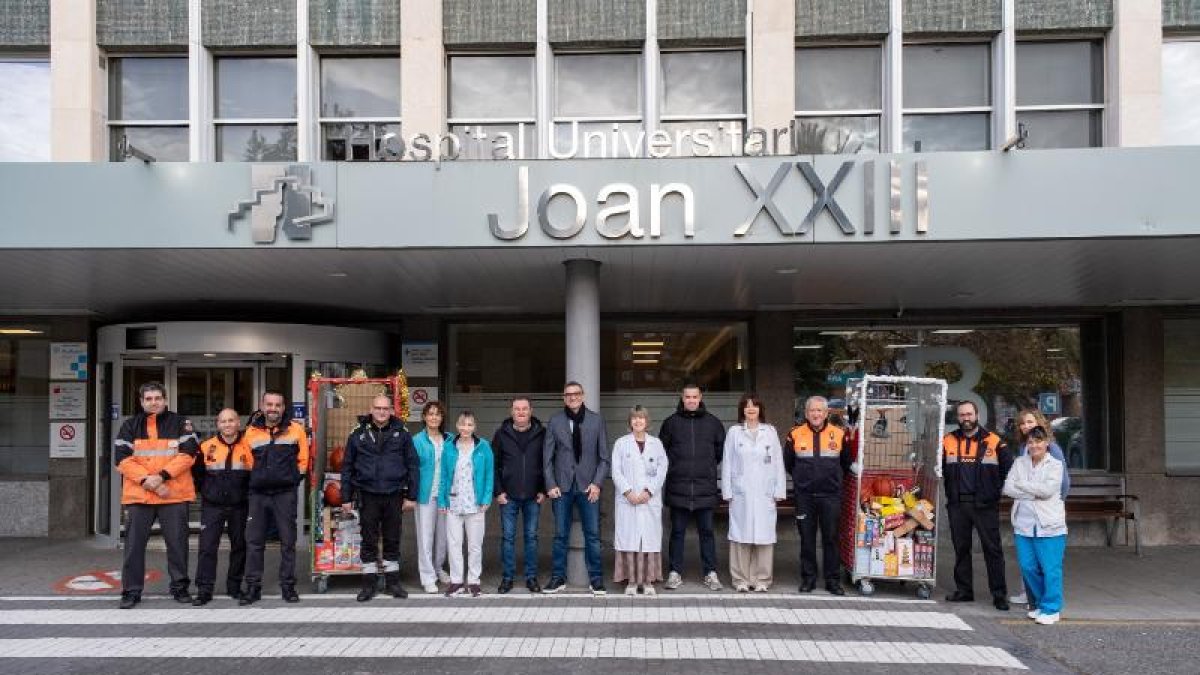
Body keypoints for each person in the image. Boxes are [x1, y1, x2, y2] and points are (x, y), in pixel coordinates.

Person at [114, 381, 200, 609]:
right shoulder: (129, 426)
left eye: (157, 398)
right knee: (133, 546)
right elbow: (122, 459)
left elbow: (189, 454)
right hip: (140, 496)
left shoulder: (182, 423)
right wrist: (148, 482)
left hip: (173, 495)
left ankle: (180, 588)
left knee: (178, 545)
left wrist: (161, 476)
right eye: (148, 399)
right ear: (141, 402)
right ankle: (131, 591)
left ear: (165, 400)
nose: (154, 403)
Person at [341, 394, 419, 602]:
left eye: (385, 408)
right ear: (371, 409)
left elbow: (413, 465)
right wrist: (346, 497)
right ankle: (369, 584)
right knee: (369, 540)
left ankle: (393, 582)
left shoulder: (402, 433)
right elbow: (347, 467)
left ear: (391, 410)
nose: (382, 412)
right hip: (367, 495)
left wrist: (411, 496)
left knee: (393, 539)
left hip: (394, 494)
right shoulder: (357, 434)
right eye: (378, 408)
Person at [942, 400, 1014, 611]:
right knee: (961, 549)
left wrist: (993, 493)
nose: (966, 418)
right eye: (962, 415)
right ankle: (964, 591)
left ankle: (999, 595)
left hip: (984, 505)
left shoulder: (995, 442)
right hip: (958, 504)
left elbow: (1008, 472)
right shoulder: (947, 440)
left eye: (969, 414)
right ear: (957, 417)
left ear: (977, 415)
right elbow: (939, 468)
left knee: (992, 550)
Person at [240, 391, 310, 606]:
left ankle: (288, 586)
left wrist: (291, 481)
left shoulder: (296, 430)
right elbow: (246, 462)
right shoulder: (250, 432)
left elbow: (304, 460)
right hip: (258, 494)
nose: (273, 408)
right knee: (254, 542)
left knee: (288, 541)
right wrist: (259, 479)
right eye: (269, 404)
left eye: (277, 405)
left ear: (283, 407)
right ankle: (253, 587)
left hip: (284, 494)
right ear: (262, 405)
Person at [543, 380, 610, 596]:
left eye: (576, 394)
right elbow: (547, 458)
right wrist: (550, 484)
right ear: (564, 398)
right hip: (561, 488)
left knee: (592, 535)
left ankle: (596, 580)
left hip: (589, 487)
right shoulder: (555, 421)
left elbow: (604, 458)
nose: (572, 397)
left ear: (582, 396)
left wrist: (598, 483)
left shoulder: (596, 420)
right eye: (568, 394)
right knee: (560, 535)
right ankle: (558, 578)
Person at [659, 383, 726, 592]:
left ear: (700, 398)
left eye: (694, 397)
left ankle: (710, 573)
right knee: (677, 532)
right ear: (682, 398)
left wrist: (703, 467)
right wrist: (677, 469)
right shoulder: (671, 423)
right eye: (687, 397)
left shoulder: (713, 423)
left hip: (704, 487)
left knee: (707, 532)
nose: (691, 400)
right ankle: (675, 572)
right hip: (678, 486)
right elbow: (662, 453)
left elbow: (719, 453)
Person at [784, 396, 852, 595]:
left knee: (831, 538)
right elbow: (789, 464)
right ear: (806, 413)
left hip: (830, 496)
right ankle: (809, 579)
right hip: (805, 496)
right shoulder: (794, 434)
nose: (816, 414)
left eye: (820, 411)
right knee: (807, 539)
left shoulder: (839, 434)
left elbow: (846, 463)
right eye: (812, 410)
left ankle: (832, 580)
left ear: (826, 413)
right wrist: (801, 480)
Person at [1002, 425, 1067, 625]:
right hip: (1024, 524)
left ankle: (1052, 608)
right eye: (1030, 442)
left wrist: (1022, 486)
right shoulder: (1020, 462)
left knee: (1050, 569)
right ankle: (1039, 604)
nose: (1034, 445)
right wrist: (1032, 492)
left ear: (1046, 443)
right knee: (1028, 567)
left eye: (1038, 441)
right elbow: (1007, 488)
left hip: (1049, 526)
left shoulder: (1055, 465)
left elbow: (1048, 491)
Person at [722, 394, 785, 593]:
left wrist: (779, 490)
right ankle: (740, 579)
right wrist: (728, 491)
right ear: (742, 410)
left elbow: (777, 463)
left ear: (760, 409)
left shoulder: (770, 431)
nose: (751, 409)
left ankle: (762, 579)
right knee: (741, 536)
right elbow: (727, 462)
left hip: (764, 493)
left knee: (764, 537)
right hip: (742, 493)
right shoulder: (734, 432)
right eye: (747, 406)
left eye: (754, 406)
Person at [191, 408, 251, 606]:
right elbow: (197, 474)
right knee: (207, 548)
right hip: (212, 506)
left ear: (238, 423)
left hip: (240, 505)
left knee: (239, 547)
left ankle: (234, 587)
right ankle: (204, 589)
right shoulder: (206, 446)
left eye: (231, 420)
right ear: (218, 424)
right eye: (223, 421)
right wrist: (208, 492)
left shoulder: (248, 447)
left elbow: (254, 475)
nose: (227, 424)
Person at [611, 405, 668, 596]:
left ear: (647, 421)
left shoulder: (656, 444)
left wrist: (649, 492)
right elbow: (616, 471)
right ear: (630, 422)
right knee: (630, 539)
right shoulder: (621, 443)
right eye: (634, 418)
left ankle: (648, 581)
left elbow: (662, 469)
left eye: (641, 418)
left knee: (648, 540)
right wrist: (628, 493)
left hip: (648, 500)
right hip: (628, 501)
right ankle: (632, 582)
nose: (638, 421)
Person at [492, 396, 547, 594]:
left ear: (531, 410)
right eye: (517, 409)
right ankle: (507, 578)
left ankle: (531, 578)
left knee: (531, 538)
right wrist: (498, 491)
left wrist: (543, 489)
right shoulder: (501, 434)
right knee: (508, 538)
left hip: (533, 495)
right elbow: (494, 466)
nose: (521, 412)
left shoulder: (542, 433)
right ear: (511, 412)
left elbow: (547, 463)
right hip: (508, 496)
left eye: (525, 409)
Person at [438, 410, 494, 598]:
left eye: (470, 425)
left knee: (475, 545)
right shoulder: (449, 446)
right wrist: (442, 499)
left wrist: (487, 498)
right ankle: (456, 582)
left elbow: (489, 474)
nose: (466, 428)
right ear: (457, 426)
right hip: (454, 502)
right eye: (463, 424)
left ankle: (474, 581)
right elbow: (444, 475)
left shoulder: (483, 446)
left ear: (474, 427)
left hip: (476, 504)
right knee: (454, 544)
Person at [413, 400, 451, 594]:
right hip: (425, 495)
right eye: (430, 413)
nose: (434, 417)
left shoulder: (450, 439)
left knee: (444, 538)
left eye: (438, 414)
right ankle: (427, 576)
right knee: (425, 537)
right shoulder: (417, 440)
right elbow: (412, 469)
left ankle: (438, 568)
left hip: (446, 496)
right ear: (424, 417)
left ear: (442, 418)